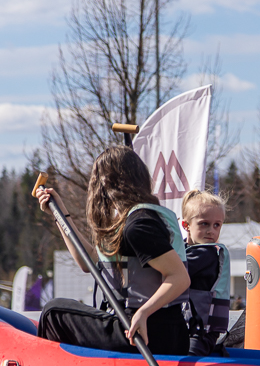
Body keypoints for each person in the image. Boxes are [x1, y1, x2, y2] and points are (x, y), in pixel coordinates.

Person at [35, 145, 191, 355]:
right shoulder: (139, 219)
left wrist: (143, 313)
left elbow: (179, 277)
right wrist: (60, 215)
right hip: (153, 331)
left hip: (144, 333)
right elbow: (88, 260)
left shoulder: (139, 226)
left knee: (52, 313)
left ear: (106, 183)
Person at [179, 190, 232, 356]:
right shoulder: (185, 250)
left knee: (188, 361)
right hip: (185, 327)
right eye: (204, 224)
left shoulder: (207, 254)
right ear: (186, 226)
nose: (212, 231)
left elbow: (172, 269)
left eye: (217, 225)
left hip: (201, 333)